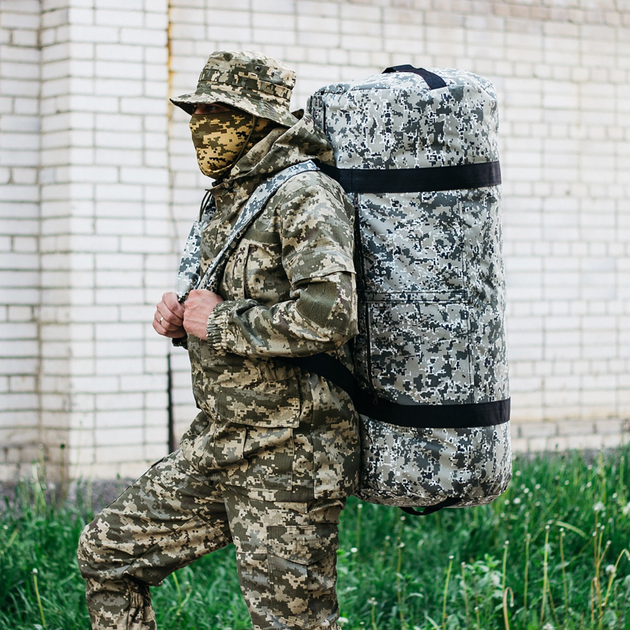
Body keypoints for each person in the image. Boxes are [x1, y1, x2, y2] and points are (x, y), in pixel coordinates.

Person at [77, 50, 360, 630]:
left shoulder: (304, 195)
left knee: (290, 624)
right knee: (107, 554)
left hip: (290, 452)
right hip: (221, 441)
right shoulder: (229, 197)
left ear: (258, 120)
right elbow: (224, 306)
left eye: (216, 111)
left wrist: (220, 322)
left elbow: (331, 315)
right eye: (196, 111)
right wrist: (184, 321)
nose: (199, 123)